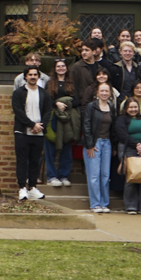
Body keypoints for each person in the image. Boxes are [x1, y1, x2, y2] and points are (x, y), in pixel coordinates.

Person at [11, 52, 52, 201]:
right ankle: (22, 188)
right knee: (22, 160)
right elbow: (18, 112)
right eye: (30, 75)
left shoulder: (44, 94)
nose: (33, 77)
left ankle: (33, 187)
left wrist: (40, 126)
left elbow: (48, 111)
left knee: (35, 161)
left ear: (38, 77)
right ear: (26, 77)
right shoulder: (18, 93)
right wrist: (31, 124)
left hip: (38, 133)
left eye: (35, 75)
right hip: (22, 132)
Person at [83, 83, 118, 213]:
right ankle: (95, 204)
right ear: (97, 92)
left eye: (106, 91)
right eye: (101, 91)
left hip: (107, 143)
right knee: (94, 175)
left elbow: (113, 128)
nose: (104, 93)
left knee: (105, 174)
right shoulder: (91, 107)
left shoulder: (111, 107)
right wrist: (90, 145)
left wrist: (113, 146)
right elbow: (86, 125)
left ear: (110, 93)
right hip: (94, 143)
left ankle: (104, 203)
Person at [47, 58, 80, 189]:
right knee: (50, 147)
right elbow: (45, 100)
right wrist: (56, 103)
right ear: (55, 69)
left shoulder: (72, 84)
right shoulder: (50, 84)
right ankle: (52, 176)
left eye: (63, 66)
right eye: (58, 66)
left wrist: (66, 104)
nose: (61, 68)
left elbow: (77, 100)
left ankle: (64, 175)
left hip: (67, 119)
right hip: (53, 118)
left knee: (66, 147)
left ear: (67, 68)